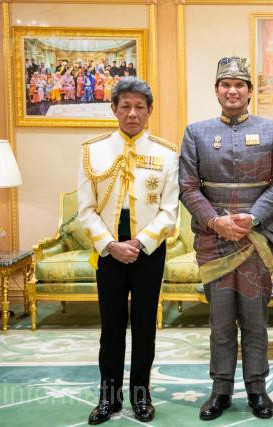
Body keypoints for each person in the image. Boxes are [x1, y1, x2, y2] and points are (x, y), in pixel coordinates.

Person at [179, 56, 273, 421]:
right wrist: (216, 222)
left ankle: (257, 388)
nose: (232, 90)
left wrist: (252, 216)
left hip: (256, 237)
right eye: (225, 84)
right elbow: (187, 186)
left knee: (256, 319)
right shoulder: (196, 133)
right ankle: (221, 389)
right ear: (216, 91)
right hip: (214, 240)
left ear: (249, 91)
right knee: (221, 320)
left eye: (239, 84)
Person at [77, 77, 179, 425]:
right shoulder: (93, 150)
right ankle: (108, 397)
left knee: (145, 325)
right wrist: (110, 245)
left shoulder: (166, 153)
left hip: (147, 249)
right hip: (109, 249)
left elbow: (170, 211)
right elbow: (85, 209)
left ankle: (141, 395)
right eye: (125, 106)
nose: (132, 113)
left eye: (139, 107)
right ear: (114, 109)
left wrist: (140, 242)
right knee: (112, 326)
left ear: (149, 111)